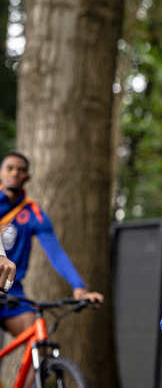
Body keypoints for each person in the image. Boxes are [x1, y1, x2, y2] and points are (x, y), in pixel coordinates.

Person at [0, 151, 103, 386]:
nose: (15, 173)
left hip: (11, 291)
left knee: (39, 345)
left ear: (28, 176)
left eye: (21, 169)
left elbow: (55, 252)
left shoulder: (33, 212)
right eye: (9, 168)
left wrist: (79, 287)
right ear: (1, 173)